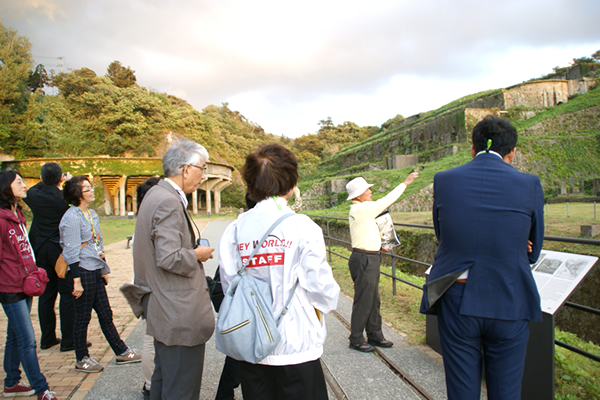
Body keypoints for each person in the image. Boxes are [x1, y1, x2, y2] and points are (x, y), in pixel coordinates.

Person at [419, 115, 544, 400]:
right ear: (511, 152)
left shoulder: (445, 180)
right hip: (509, 296)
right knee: (507, 390)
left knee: (462, 389)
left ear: (473, 149)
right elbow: (534, 250)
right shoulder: (529, 184)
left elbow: (445, 235)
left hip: (457, 296)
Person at [218, 144, 340, 400]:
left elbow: (229, 284)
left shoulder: (235, 229)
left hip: (252, 345)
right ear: (290, 181)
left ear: (251, 184)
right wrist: (327, 304)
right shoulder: (302, 227)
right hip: (297, 344)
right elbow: (321, 288)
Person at [132, 140, 215, 400]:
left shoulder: (156, 194)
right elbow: (168, 257)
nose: (204, 175)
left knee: (164, 381)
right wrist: (197, 254)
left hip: (162, 308)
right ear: (186, 168)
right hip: (177, 313)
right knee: (181, 388)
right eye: (202, 168)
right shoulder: (168, 201)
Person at [59, 176, 141, 373]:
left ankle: (121, 352)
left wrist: (103, 268)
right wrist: (76, 281)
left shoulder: (91, 214)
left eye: (90, 187)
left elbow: (98, 244)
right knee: (83, 317)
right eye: (87, 189)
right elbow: (70, 252)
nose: (92, 190)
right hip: (82, 272)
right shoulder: (71, 218)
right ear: (77, 194)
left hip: (95, 269)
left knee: (106, 314)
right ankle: (82, 359)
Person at [0, 171, 58, 400]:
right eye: (19, 182)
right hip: (10, 287)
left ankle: (11, 382)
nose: (25, 186)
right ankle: (42, 389)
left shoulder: (19, 215)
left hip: (27, 284)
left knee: (14, 335)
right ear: (6, 188)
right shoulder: (2, 220)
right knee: (27, 339)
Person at [345, 171, 418, 352]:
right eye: (367, 190)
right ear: (359, 195)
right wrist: (405, 183)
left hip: (367, 256)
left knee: (373, 299)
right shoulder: (363, 208)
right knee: (364, 300)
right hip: (365, 259)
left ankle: (375, 334)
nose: (370, 192)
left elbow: (368, 231)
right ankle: (355, 338)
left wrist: (380, 244)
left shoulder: (360, 209)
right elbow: (387, 200)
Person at [23, 163, 79, 352]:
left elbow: (34, 188)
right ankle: (68, 339)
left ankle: (47, 338)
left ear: (41, 178)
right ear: (60, 178)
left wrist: (47, 180)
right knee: (66, 293)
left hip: (40, 247)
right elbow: (74, 194)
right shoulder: (63, 198)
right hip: (60, 249)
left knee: (46, 294)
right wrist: (67, 181)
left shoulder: (34, 196)